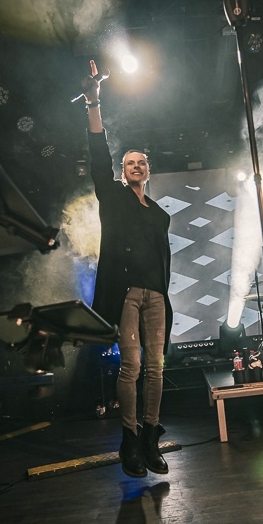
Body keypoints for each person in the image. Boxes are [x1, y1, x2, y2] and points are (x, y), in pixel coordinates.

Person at [81, 59, 173, 477]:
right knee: (131, 366)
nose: (136, 166)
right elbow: (97, 153)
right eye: (130, 162)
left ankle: (151, 435)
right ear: (123, 171)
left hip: (156, 296)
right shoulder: (114, 196)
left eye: (142, 163)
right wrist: (93, 102)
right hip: (127, 293)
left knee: (156, 368)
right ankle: (130, 438)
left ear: (148, 171)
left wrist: (164, 294)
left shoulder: (159, 213)